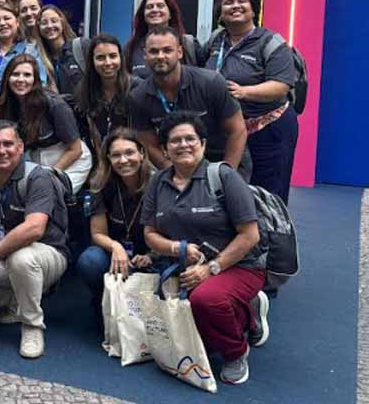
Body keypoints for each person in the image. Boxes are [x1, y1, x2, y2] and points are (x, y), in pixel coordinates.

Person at [142, 112, 269, 385]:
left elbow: (250, 236)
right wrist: (176, 248)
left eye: (190, 138)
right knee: (197, 320)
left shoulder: (224, 177)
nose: (183, 145)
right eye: (175, 141)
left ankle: (236, 352)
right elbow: (150, 233)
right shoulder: (157, 182)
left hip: (239, 265)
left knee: (205, 300)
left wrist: (211, 269)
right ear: (164, 149)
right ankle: (248, 311)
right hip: (186, 266)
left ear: (202, 143)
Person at [0, 120, 70, 359]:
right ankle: (16, 302)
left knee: (22, 259)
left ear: (20, 147)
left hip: (47, 253)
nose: (1, 150)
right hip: (3, 255)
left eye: (8, 144)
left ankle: (32, 325)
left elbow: (34, 229)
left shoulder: (37, 177)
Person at [202, 0, 298, 204]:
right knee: (231, 192)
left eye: (241, 1)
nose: (235, 6)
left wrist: (244, 92)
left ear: (253, 8)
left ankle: (271, 238)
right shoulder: (216, 40)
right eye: (228, 3)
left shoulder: (272, 42)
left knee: (267, 194)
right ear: (221, 12)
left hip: (267, 130)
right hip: (228, 131)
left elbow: (281, 85)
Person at [129, 27, 251, 179]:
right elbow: (150, 146)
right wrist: (179, 175)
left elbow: (237, 131)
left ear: (179, 52)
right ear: (145, 55)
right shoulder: (138, 97)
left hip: (223, 160)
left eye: (167, 50)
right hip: (179, 166)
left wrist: (225, 176)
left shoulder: (211, 83)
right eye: (153, 51)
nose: (160, 56)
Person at [74, 129, 154, 323]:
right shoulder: (101, 185)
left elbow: (171, 230)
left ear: (141, 153)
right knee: (90, 260)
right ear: (108, 158)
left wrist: (152, 255)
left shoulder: (158, 183)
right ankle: (103, 302)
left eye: (129, 152)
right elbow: (97, 234)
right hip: (116, 256)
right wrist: (116, 247)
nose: (123, 160)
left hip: (152, 254)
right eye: (116, 155)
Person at [0, 54, 92, 191]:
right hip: (36, 159)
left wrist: (49, 175)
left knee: (47, 195)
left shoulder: (54, 104)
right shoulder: (7, 105)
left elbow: (76, 150)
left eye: (27, 75)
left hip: (69, 159)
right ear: (7, 78)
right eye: (15, 74)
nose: (21, 79)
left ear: (35, 80)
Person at [73, 34, 137, 159]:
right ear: (92, 61)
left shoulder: (137, 88)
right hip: (99, 160)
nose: (108, 63)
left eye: (113, 56)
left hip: (131, 160)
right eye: (101, 58)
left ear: (121, 58)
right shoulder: (84, 91)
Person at [125, 0, 199, 79]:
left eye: (160, 6)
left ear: (170, 14)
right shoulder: (131, 47)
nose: (155, 10)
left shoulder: (188, 44)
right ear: (143, 15)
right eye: (149, 7)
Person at [38, 5, 82, 96]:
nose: (49, 26)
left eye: (54, 21)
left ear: (62, 22)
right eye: (44, 23)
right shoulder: (39, 57)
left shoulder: (80, 47)